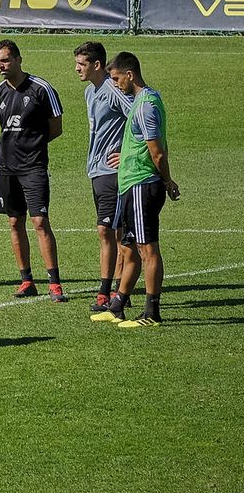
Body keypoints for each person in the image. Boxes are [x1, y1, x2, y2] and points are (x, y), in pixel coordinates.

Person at [95, 52, 180, 328]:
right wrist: (128, 155)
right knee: (129, 249)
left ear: (130, 74)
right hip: (131, 183)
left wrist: (167, 181)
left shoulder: (146, 105)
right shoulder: (139, 103)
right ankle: (118, 305)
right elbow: (143, 144)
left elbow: (157, 152)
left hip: (144, 184)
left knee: (147, 249)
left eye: (117, 78)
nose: (116, 84)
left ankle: (152, 313)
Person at [0, 39, 67, 302]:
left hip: (33, 167)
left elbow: (56, 127)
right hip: (6, 168)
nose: (2, 66)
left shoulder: (42, 89)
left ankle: (55, 284)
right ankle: (26, 280)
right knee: (14, 222)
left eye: (6, 60)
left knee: (40, 222)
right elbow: (3, 129)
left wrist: (34, 145)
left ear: (19, 59)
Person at [74, 41, 127, 314]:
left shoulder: (113, 90)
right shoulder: (89, 92)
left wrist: (127, 153)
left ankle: (108, 292)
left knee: (107, 231)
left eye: (81, 64)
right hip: (96, 171)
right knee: (112, 231)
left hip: (112, 172)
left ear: (96, 65)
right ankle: (121, 291)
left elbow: (138, 118)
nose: (76, 69)